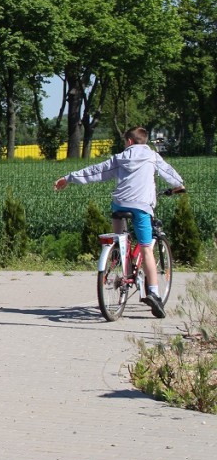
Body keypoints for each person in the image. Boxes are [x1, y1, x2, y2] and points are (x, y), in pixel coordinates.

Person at [54, 127, 185, 318]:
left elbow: (96, 171)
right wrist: (179, 185)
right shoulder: (152, 157)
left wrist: (69, 178)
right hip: (141, 206)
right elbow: (170, 174)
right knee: (146, 248)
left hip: (119, 206)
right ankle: (154, 294)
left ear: (130, 141)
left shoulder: (120, 158)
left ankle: (118, 256)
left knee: (120, 236)